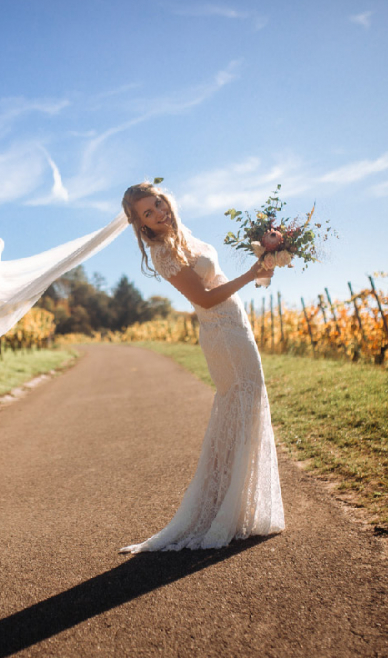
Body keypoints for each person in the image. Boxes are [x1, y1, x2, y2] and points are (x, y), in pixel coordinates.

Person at [119, 182, 285, 552]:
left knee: (248, 407)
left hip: (237, 326)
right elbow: (206, 298)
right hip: (222, 335)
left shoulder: (187, 238)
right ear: (141, 224)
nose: (159, 212)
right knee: (241, 406)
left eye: (158, 202)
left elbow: (225, 282)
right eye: (148, 212)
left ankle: (240, 506)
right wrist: (249, 274)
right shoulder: (163, 252)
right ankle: (225, 511)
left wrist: (265, 268)